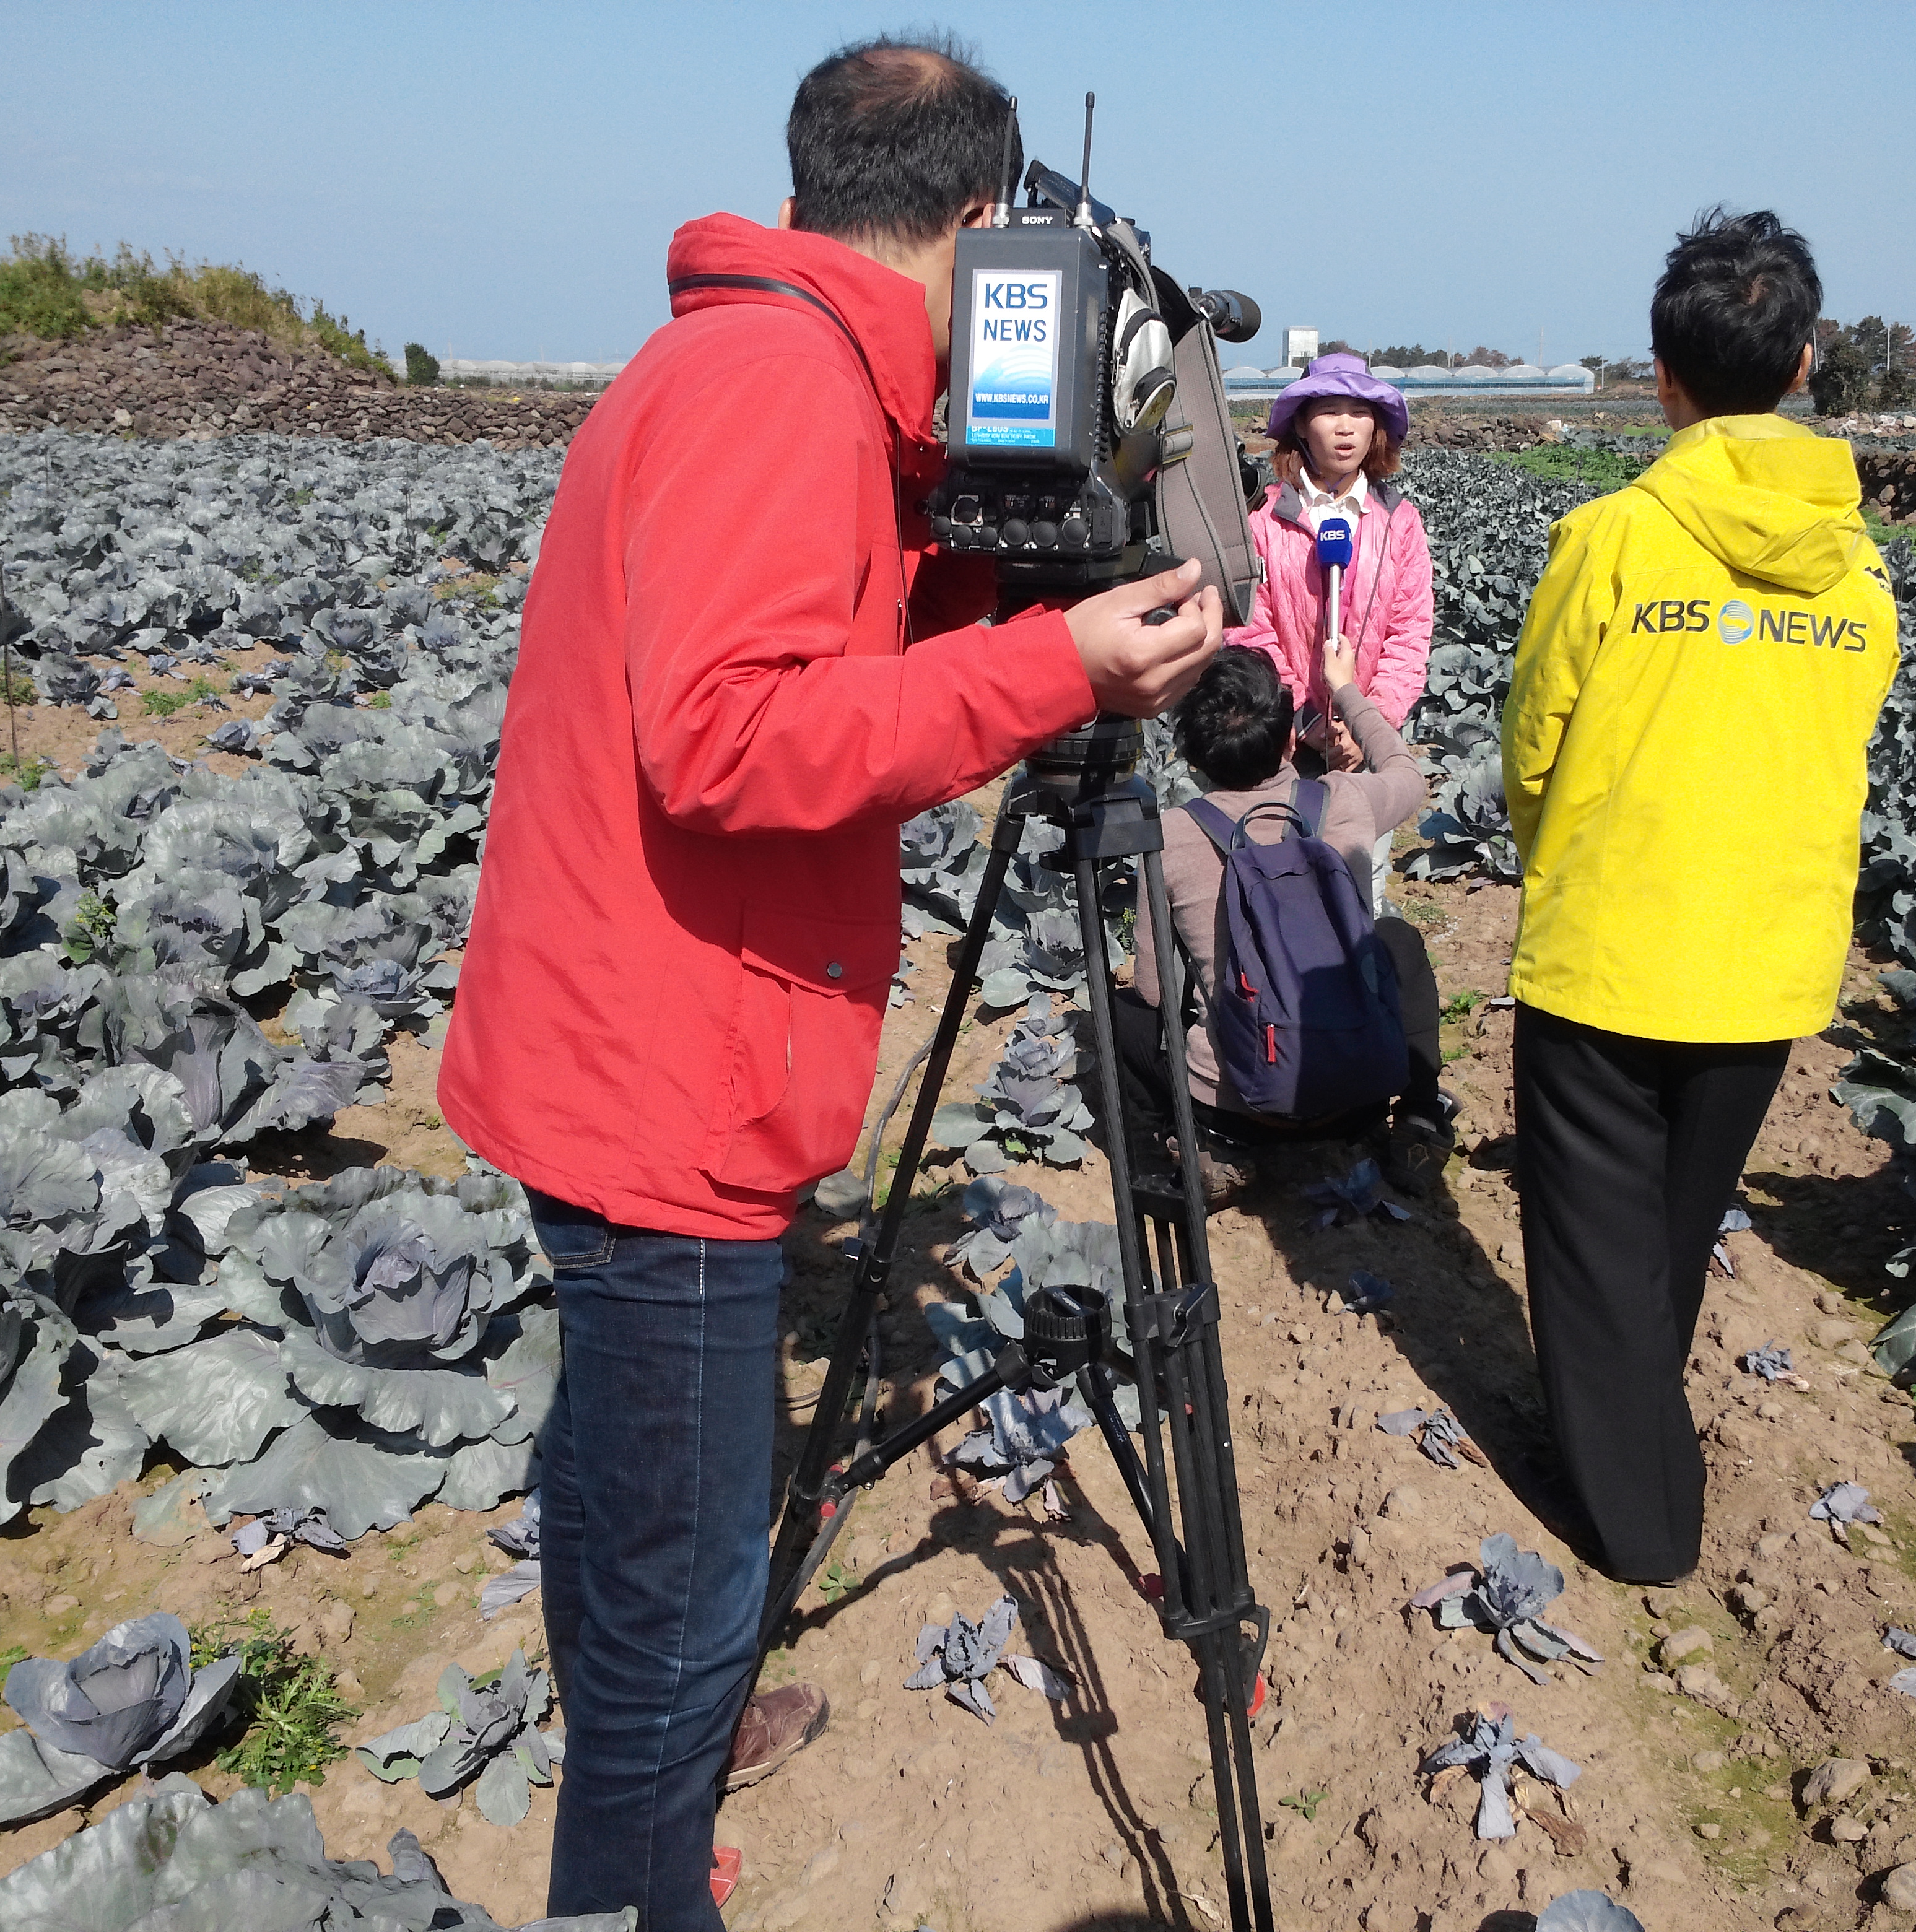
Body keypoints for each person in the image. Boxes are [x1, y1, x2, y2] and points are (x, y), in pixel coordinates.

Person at [437, 36, 1224, 1931]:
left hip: (644, 1039)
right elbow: (726, 738)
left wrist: (1002, 590)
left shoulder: (759, 359)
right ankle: (637, 1870)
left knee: (644, 1503)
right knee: (684, 1567)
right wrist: (1058, 675)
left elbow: (823, 630)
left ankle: (669, 1749)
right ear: (977, 224)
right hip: (663, 1091)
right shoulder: (775, 385)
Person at [1500, 208, 1901, 1586]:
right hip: (1767, 950)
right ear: (1801, 365)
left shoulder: (1610, 538)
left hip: (1613, 942)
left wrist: (1559, 848)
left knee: (1595, 1242)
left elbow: (1533, 739)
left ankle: (1640, 1520)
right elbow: (1840, 731)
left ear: (1662, 378)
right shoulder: (1858, 572)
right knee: (1671, 1223)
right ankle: (1625, 1424)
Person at [1118, 642, 1450, 1200]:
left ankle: (1172, 1154)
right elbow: (1407, 773)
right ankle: (1418, 1123)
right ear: (1292, 739)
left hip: (1239, 1111)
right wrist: (1344, 688)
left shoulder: (1170, 835)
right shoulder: (1345, 800)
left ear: (1193, 758)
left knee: (1124, 1011)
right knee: (1398, 939)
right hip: (1358, 1096)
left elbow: (1154, 991)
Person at [1227, 352, 1434, 910]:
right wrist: (1304, 719)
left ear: (1378, 429)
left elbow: (1410, 635)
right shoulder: (1263, 522)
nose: (1345, 427)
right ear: (1300, 424)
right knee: (1280, 887)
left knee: (1359, 889)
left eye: (1359, 413)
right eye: (1329, 412)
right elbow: (1250, 628)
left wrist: (1367, 722)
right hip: (1284, 741)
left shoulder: (1400, 523)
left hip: (1363, 744)